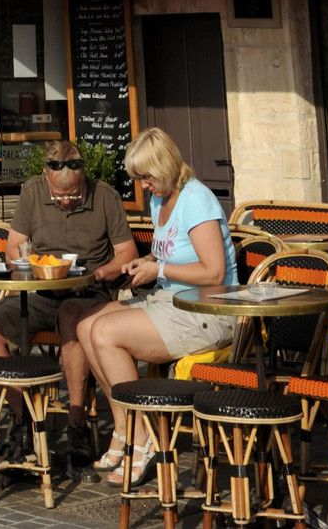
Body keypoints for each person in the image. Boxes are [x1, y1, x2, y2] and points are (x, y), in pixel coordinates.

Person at [75, 128, 236, 482]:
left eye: (146, 177)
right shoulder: (159, 200)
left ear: (164, 166)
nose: (143, 185)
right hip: (168, 299)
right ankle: (123, 429)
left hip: (208, 309)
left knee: (105, 332)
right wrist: (146, 262)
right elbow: (170, 252)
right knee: (86, 327)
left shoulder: (196, 199)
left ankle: (144, 439)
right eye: (138, 178)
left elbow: (214, 272)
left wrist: (157, 268)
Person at [0, 140, 137, 466]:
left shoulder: (104, 196)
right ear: (46, 177)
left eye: (73, 194)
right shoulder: (32, 191)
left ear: (84, 178)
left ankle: (76, 423)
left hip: (87, 293)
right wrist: (27, 263)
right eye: (59, 196)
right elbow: (13, 247)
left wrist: (103, 271)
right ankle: (21, 420)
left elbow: (128, 253)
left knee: (71, 317)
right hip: (39, 292)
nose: (66, 201)